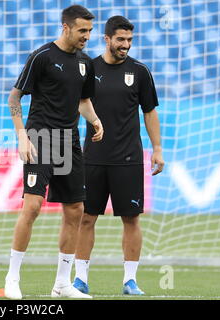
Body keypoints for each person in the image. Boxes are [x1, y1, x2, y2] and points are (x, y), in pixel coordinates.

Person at [4, 5, 103, 299]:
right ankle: (12, 278)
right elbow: (15, 96)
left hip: (69, 141)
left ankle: (62, 283)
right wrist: (22, 136)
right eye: (82, 30)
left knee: (75, 210)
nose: (87, 36)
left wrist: (95, 120)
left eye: (90, 31)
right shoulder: (42, 57)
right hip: (40, 137)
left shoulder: (86, 62)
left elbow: (83, 100)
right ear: (66, 27)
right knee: (32, 207)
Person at [72, 16, 165, 296]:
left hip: (128, 158)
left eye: (129, 40)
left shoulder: (140, 71)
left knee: (131, 219)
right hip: (93, 157)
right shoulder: (87, 68)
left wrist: (157, 149)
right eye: (120, 40)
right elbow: (76, 103)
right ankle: (80, 279)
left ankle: (130, 281)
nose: (125, 45)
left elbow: (149, 111)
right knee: (86, 218)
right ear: (107, 39)